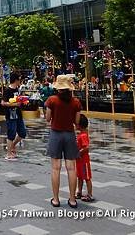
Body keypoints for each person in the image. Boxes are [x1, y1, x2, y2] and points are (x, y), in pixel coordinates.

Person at [45, 74, 82, 209]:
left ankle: (56, 199)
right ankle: (72, 199)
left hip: (56, 134)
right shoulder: (76, 102)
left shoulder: (52, 100)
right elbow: (77, 122)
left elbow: (47, 119)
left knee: (55, 168)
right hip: (69, 135)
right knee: (71, 168)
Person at [0, 74, 27, 160]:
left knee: (22, 133)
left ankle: (12, 146)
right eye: (19, 79)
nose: (20, 81)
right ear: (15, 80)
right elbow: (3, 103)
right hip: (11, 115)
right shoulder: (7, 90)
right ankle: (8, 154)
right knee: (11, 133)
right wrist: (14, 104)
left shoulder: (17, 89)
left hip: (18, 114)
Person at [75, 114, 93, 202]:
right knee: (80, 176)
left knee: (87, 177)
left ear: (79, 125)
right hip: (79, 161)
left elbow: (86, 147)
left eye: (75, 123)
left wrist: (79, 152)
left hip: (84, 161)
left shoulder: (83, 136)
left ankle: (90, 194)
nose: (74, 125)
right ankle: (79, 191)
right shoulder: (81, 134)